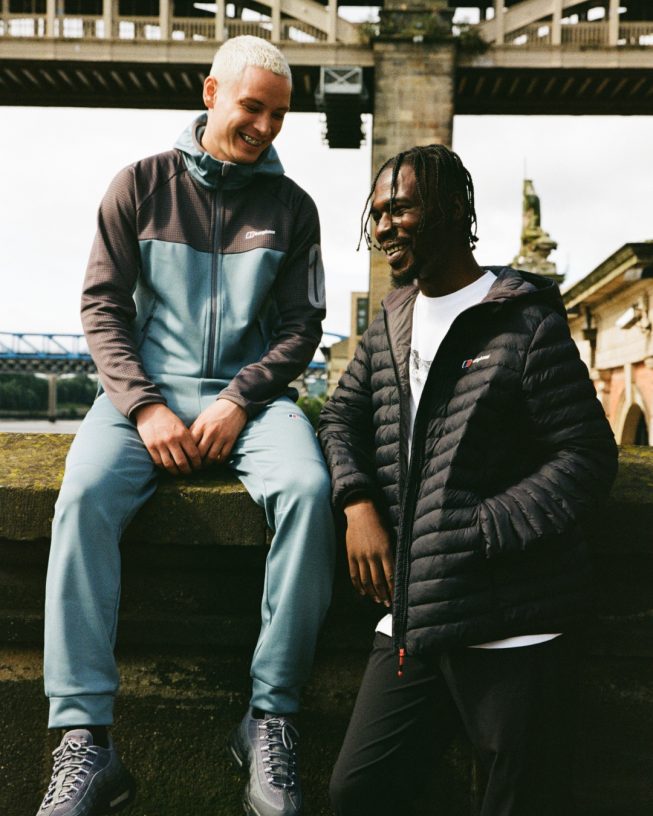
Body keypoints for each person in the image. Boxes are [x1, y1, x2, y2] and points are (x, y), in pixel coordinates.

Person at [37, 36, 335, 816]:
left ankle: (270, 718)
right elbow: (102, 309)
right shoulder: (138, 185)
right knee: (81, 498)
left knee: (309, 491)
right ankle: (84, 740)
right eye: (252, 107)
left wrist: (239, 398)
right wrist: (144, 404)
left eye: (279, 115)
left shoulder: (293, 208)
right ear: (211, 93)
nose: (264, 126)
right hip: (144, 396)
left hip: (252, 401)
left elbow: (301, 327)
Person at [318, 144, 618, 816]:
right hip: (416, 617)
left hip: (514, 622)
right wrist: (356, 502)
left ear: (452, 210)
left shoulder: (524, 322)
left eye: (400, 209)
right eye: (377, 213)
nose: (383, 225)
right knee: (358, 791)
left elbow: (585, 456)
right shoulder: (391, 321)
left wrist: (477, 530)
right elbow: (338, 418)